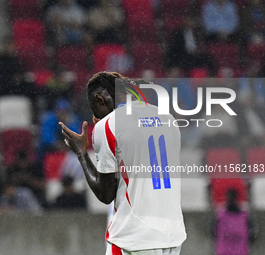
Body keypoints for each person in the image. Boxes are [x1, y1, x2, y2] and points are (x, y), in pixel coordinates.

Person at [59, 72, 186, 254]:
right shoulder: (168, 118)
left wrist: (81, 153)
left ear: (99, 99)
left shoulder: (108, 125)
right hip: (172, 236)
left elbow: (105, 194)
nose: (96, 118)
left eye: (94, 110)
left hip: (134, 237)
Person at [213, 189, 257, 255]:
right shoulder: (244, 215)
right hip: (239, 249)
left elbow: (212, 232)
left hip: (225, 249)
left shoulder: (220, 214)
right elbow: (253, 234)